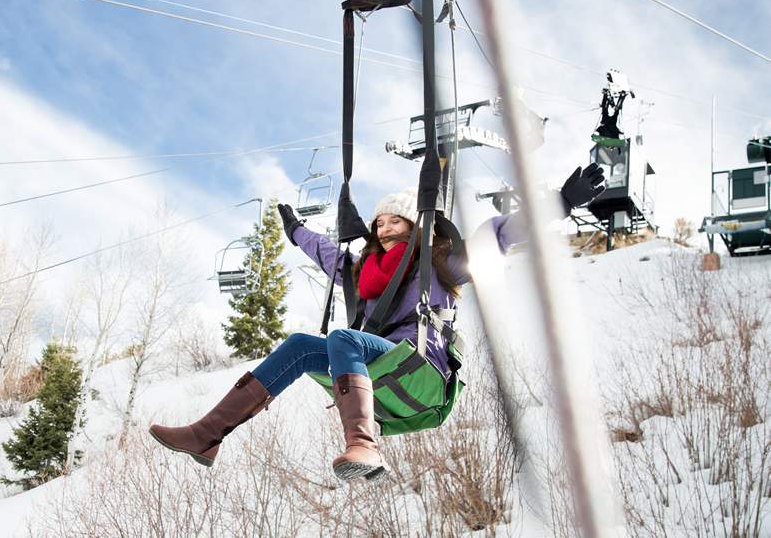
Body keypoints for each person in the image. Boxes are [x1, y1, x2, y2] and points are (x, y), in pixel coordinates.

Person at [149, 165, 605, 481]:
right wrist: (296, 232)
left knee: (343, 339)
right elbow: (327, 253)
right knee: (301, 345)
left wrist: (561, 202)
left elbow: (500, 236)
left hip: (421, 372)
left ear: (415, 224)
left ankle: (364, 444)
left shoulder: (441, 263)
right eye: (379, 222)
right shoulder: (362, 273)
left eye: (394, 220)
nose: (384, 228)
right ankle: (207, 435)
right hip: (378, 370)